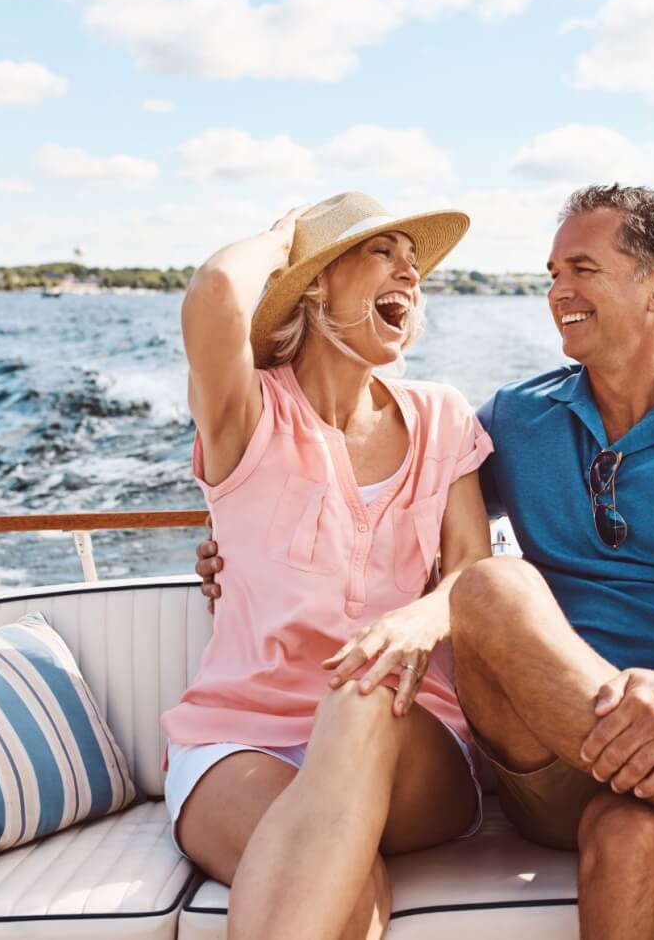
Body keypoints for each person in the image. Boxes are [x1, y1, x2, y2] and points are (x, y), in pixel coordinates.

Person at [197, 185, 654, 940]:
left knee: (631, 836)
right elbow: (393, 511)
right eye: (552, 272)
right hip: (552, 745)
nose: (558, 292)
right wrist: (242, 548)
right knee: (492, 580)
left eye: (581, 269)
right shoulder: (517, 418)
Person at [167, 191, 495, 940]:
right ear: (315, 283)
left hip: (412, 734)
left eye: (416, 266)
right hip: (241, 735)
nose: (410, 276)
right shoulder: (247, 414)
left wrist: (421, 616)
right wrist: (284, 239)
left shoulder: (444, 416)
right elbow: (217, 292)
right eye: (384, 253)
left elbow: (472, 569)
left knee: (366, 696)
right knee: (344, 890)